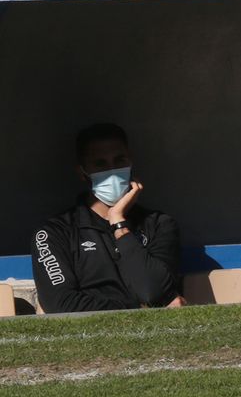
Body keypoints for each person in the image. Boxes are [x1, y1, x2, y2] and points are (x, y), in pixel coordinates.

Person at [32, 123, 184, 313]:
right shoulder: (53, 233)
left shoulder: (159, 224)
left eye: (119, 160)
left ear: (131, 162)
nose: (112, 170)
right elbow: (60, 304)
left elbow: (153, 291)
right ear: (82, 172)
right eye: (100, 164)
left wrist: (119, 223)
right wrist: (139, 309)